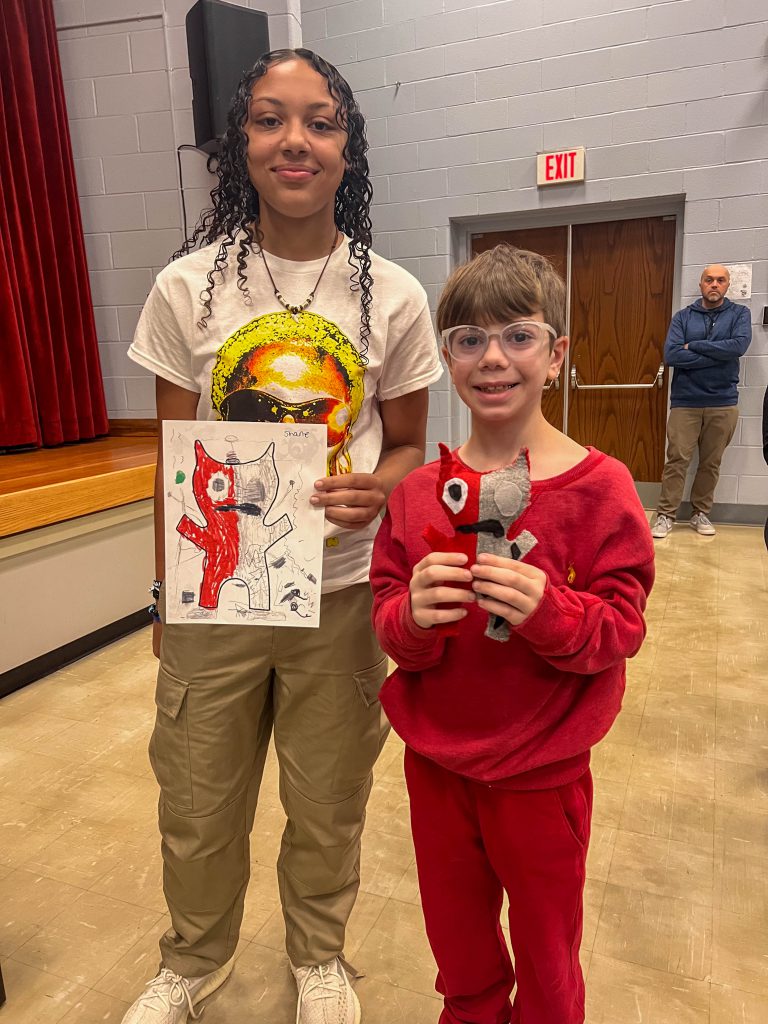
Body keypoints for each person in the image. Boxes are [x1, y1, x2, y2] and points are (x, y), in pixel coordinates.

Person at [123, 48, 442, 1024]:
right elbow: (175, 457)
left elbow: (413, 453)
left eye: (320, 121)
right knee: (198, 798)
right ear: (241, 145)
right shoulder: (188, 290)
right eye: (269, 119)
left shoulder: (391, 294)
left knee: (328, 800)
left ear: (349, 150)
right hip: (220, 588)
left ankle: (319, 957)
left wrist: (376, 489)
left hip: (343, 598)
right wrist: (167, 597)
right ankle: (193, 959)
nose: (294, 139)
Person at [369, 245, 655, 1024]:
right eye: (468, 339)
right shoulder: (418, 492)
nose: (493, 358)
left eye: (518, 336)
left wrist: (552, 611)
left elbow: (621, 628)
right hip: (437, 768)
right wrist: (412, 620)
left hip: (542, 774)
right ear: (446, 358)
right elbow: (389, 615)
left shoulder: (603, 488)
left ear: (557, 353)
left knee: (546, 952)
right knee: (458, 946)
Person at [651, 264, 752, 539]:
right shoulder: (683, 317)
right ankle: (665, 515)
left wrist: (694, 346)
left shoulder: (740, 314)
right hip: (686, 402)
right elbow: (672, 356)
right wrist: (718, 354)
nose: (714, 285)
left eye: (720, 280)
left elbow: (738, 347)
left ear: (728, 285)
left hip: (723, 402)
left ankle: (700, 513)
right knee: (677, 460)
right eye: (709, 280)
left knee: (711, 462)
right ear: (701, 284)